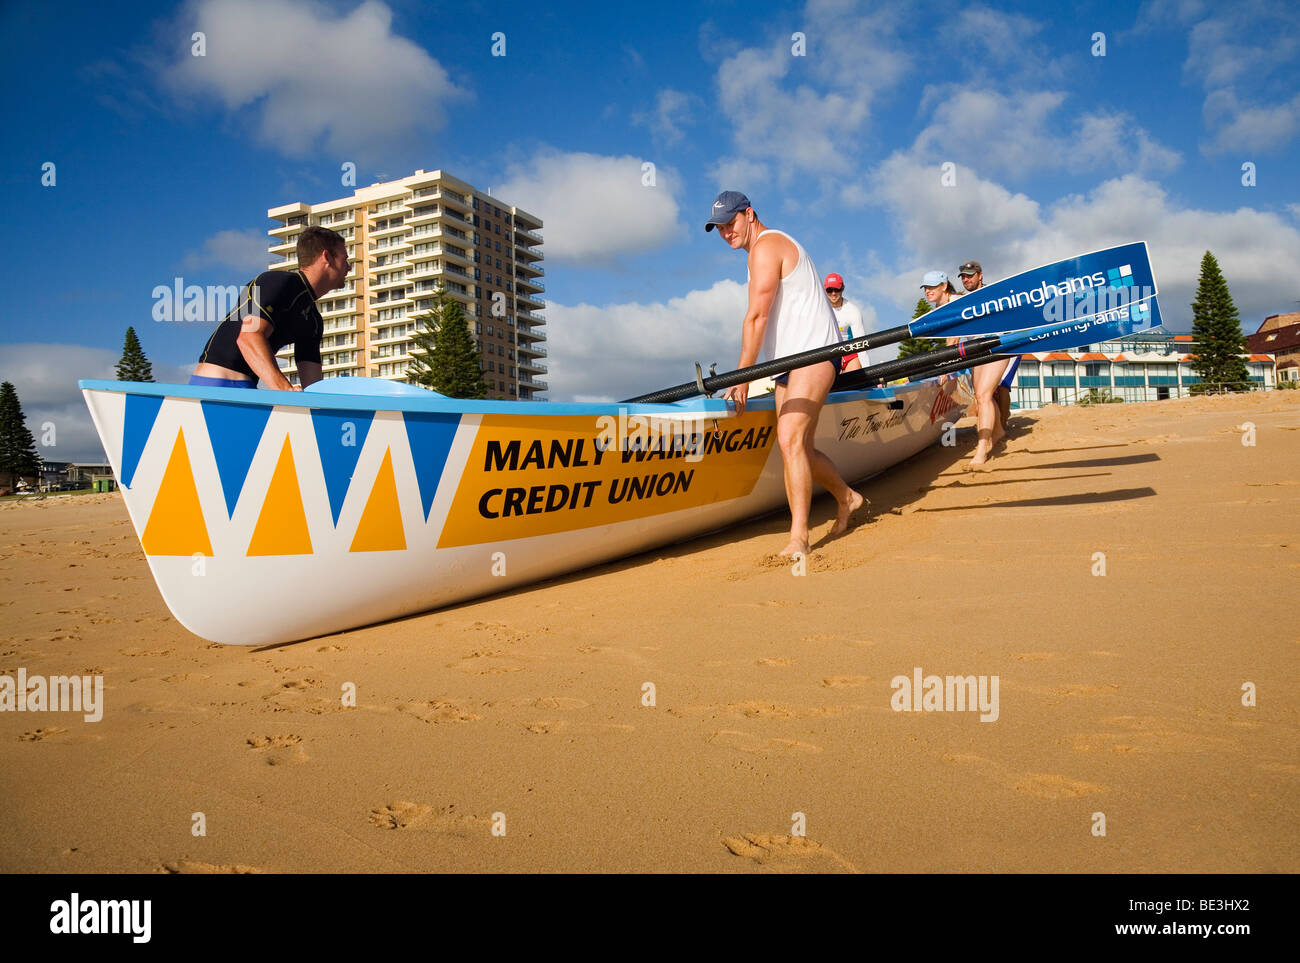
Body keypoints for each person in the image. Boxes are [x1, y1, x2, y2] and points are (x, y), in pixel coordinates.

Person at [706, 191, 863, 556]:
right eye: (719, 227)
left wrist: (741, 378)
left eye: (731, 222)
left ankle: (799, 538)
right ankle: (847, 496)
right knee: (796, 446)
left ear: (749, 215)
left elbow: (756, 317)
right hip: (786, 362)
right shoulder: (758, 253)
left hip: (817, 353)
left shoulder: (767, 245)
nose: (726, 231)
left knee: (790, 437)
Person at [192, 225, 351, 390]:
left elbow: (314, 388)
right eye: (344, 259)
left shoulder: (313, 320)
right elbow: (248, 338)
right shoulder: (273, 282)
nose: (349, 267)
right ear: (327, 257)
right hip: (215, 384)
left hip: (248, 388)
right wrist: (286, 390)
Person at [924, 269, 1001, 466]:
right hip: (979, 348)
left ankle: (982, 449)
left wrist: (944, 370)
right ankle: (998, 432)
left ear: (944, 287)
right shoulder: (942, 307)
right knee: (983, 395)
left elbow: (953, 340)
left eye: (933, 287)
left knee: (983, 396)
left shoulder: (955, 302)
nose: (928, 291)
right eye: (926, 287)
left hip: (998, 343)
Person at [959, 260, 1016, 427]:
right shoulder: (961, 301)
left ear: (980, 276)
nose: (966, 280)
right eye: (963, 277)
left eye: (969, 276)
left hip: (1004, 346)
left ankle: (1003, 425)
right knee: (984, 393)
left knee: (1002, 386)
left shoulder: (992, 294)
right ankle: (994, 426)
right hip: (978, 350)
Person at [824, 273, 866, 372]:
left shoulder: (853, 311)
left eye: (837, 289)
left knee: (856, 379)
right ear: (825, 290)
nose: (833, 293)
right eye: (829, 290)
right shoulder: (819, 309)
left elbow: (861, 343)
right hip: (828, 355)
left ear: (842, 288)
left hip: (849, 355)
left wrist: (868, 373)